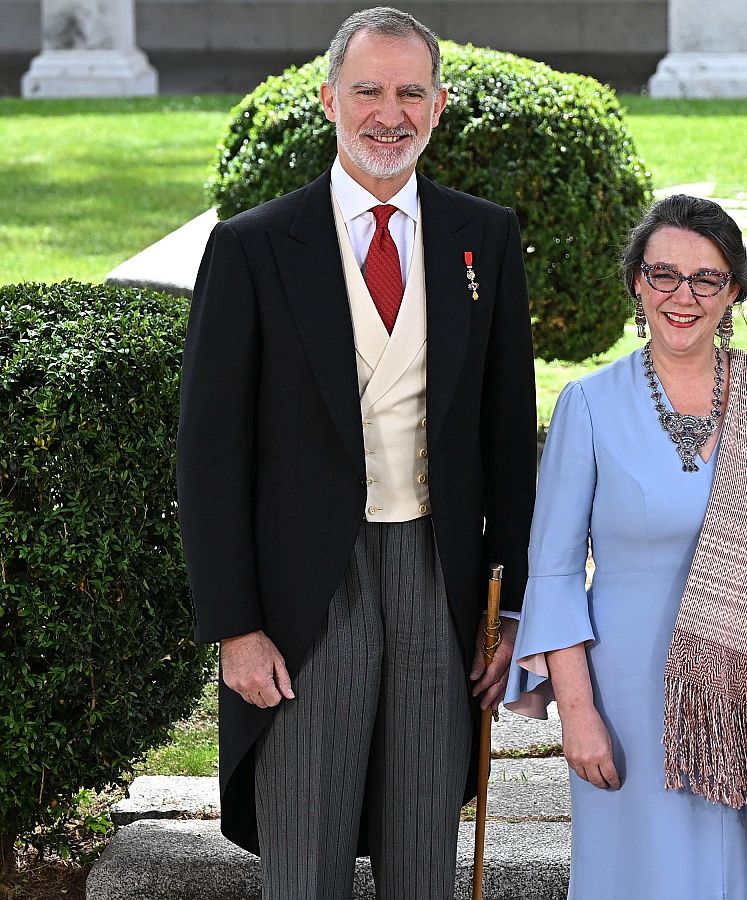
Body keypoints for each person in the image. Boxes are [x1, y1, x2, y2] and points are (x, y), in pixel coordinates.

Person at [176, 8, 536, 898]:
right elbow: (209, 452)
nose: (390, 113)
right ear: (329, 99)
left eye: (411, 92)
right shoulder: (254, 247)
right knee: (306, 854)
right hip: (303, 594)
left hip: (438, 576)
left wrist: (514, 607)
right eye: (368, 90)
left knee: (424, 856)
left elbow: (507, 437)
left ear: (440, 106)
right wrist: (235, 626)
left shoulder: (481, 238)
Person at [502, 194, 747, 900]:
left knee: (742, 878)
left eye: (705, 278)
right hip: (627, 704)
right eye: (663, 275)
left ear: (734, 288)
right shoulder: (589, 404)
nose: (683, 296)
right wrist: (579, 715)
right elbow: (552, 570)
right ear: (636, 283)